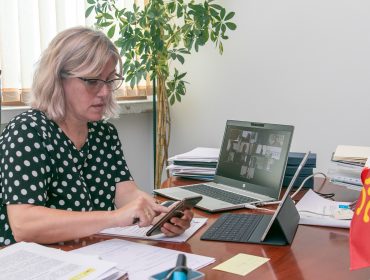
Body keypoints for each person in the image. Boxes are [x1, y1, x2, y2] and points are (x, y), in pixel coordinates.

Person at [0, 27, 193, 246]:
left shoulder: (104, 133)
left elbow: (126, 193)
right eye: (92, 81)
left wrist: (162, 212)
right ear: (58, 79)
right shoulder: (27, 132)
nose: (105, 92)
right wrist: (113, 218)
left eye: (110, 81)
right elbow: (24, 225)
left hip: (91, 255)